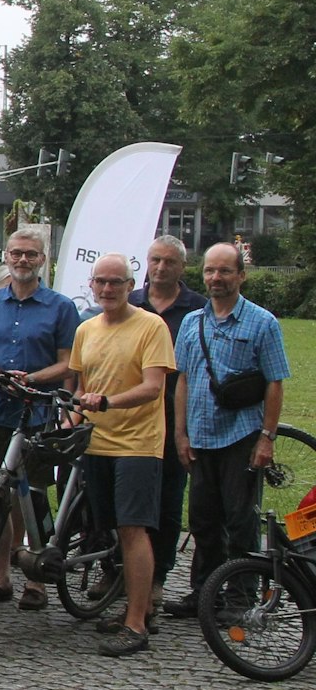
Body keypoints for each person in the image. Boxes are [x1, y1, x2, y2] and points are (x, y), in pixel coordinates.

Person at [0, 228, 80, 609]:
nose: (22, 260)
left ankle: (36, 579)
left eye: (31, 254)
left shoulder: (60, 307)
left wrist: (32, 381)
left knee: (34, 494)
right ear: (5, 258)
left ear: (43, 259)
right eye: (16, 254)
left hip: (37, 412)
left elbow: (68, 363)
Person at [168, 242, 291, 621]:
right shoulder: (193, 322)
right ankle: (204, 592)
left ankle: (241, 596)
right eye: (209, 271)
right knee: (204, 520)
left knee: (240, 522)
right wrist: (181, 434)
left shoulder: (262, 322)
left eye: (224, 271)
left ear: (241, 276)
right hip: (200, 436)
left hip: (240, 435)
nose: (215, 278)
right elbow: (184, 380)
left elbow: (274, 383)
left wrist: (266, 438)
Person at [65, 253, 176, 656]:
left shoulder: (151, 326)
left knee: (133, 529)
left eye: (117, 282)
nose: (108, 289)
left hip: (138, 444)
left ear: (132, 286)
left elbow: (153, 387)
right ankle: (131, 606)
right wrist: (71, 417)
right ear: (92, 286)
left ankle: (137, 622)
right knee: (111, 530)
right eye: (102, 282)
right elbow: (82, 387)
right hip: (97, 442)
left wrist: (107, 402)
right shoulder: (86, 329)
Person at [129, 235, 207, 609]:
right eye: (155, 260)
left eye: (169, 262)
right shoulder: (130, 303)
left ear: (182, 268)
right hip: (127, 416)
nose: (161, 268)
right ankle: (119, 572)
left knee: (167, 499)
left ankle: (158, 576)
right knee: (123, 500)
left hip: (174, 416)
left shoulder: (197, 310)